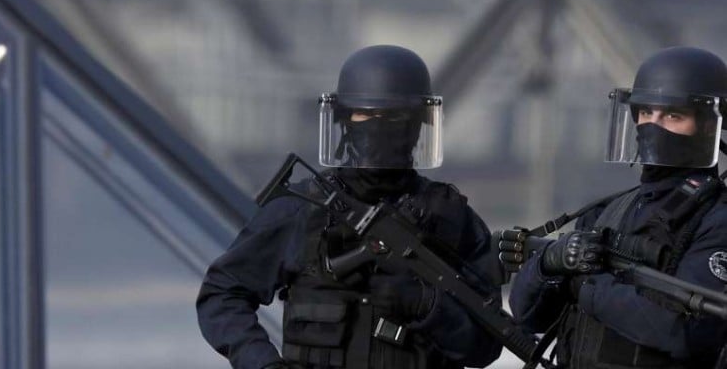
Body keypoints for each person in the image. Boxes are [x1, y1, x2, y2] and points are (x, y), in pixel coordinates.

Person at [196, 44, 503, 368]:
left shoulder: (451, 219)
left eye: (396, 116)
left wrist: (426, 305)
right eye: (366, 114)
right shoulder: (305, 209)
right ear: (345, 121)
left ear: (418, 125)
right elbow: (221, 295)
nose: (379, 126)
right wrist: (263, 363)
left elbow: (487, 345)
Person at [508, 45, 727, 368]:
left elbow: (684, 331)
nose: (653, 125)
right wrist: (547, 266)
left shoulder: (716, 219)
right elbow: (529, 317)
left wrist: (585, 286)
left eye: (673, 115)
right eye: (645, 113)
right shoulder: (610, 211)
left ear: (709, 126)